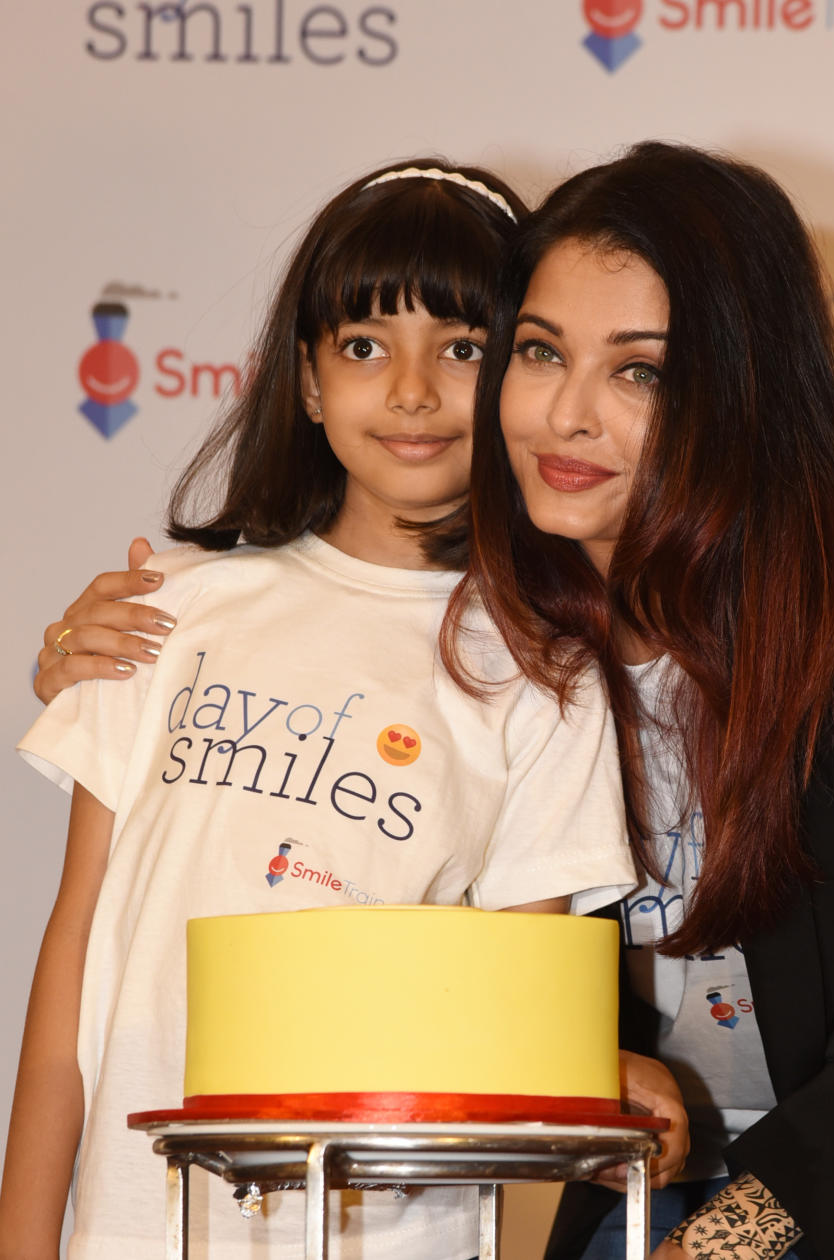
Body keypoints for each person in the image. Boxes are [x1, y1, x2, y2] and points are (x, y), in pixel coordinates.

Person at [1, 159, 651, 1260]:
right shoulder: (165, 606)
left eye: (463, 349)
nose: (410, 391)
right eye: (363, 346)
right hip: (134, 1226)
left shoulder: (547, 671)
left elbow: (514, 1027)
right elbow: (74, 951)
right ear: (305, 379)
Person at [437, 142, 834, 1259]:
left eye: (640, 372)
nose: (565, 415)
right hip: (627, 1192)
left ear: (748, 392)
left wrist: (728, 1245)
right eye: (539, 352)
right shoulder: (504, 630)